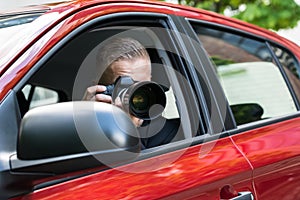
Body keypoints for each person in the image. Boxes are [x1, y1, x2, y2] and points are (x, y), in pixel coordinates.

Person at [83, 37, 180, 148]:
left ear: (151, 81)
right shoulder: (90, 127)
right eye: (123, 85)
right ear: (100, 88)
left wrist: (128, 131)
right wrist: (84, 122)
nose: (133, 94)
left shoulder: (168, 133)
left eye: (140, 85)